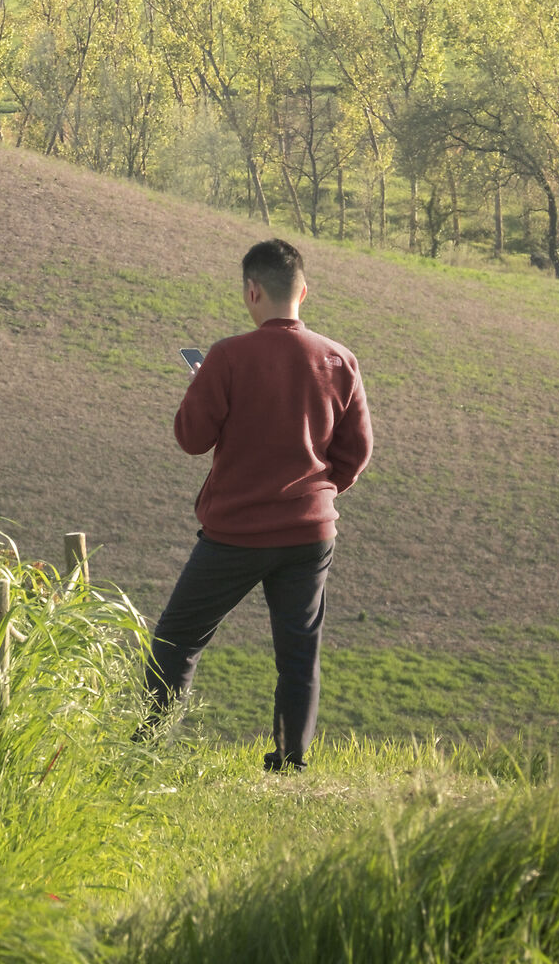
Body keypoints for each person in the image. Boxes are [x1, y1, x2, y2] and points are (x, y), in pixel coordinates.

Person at [142, 237, 373, 770]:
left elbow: (192, 438)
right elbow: (356, 454)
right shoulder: (341, 359)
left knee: (178, 639)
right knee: (299, 651)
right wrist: (318, 492)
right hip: (310, 534)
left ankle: (147, 749)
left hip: (234, 533)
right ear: (304, 291)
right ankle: (291, 762)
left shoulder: (225, 357)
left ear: (252, 292)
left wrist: (204, 387)